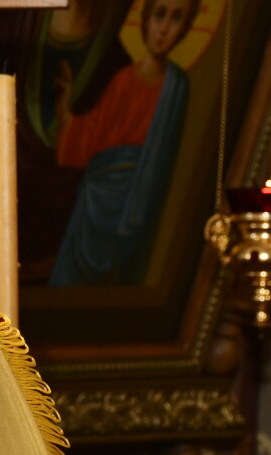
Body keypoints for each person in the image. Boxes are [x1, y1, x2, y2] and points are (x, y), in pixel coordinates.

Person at [48, 0, 199, 285]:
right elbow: (90, 135)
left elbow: (164, 162)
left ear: (185, 29)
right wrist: (65, 112)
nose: (164, 29)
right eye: (159, 16)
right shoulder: (123, 79)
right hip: (95, 201)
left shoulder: (176, 86)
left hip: (137, 198)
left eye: (176, 19)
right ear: (145, 20)